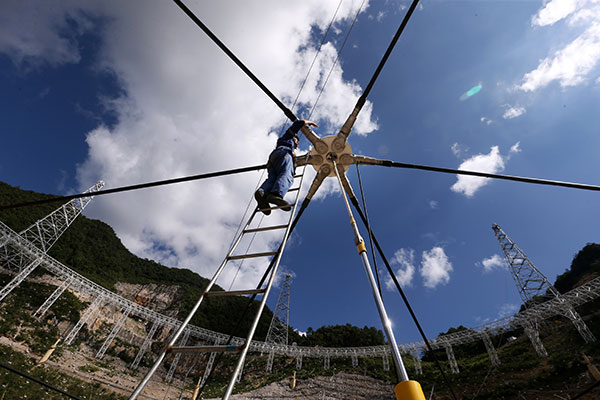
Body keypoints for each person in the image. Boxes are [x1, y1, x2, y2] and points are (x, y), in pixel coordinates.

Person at [255, 119, 318, 215]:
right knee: (287, 175)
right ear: (294, 139)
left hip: (273, 160)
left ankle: (262, 192)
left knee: (272, 179)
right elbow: (297, 124)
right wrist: (308, 122)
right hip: (284, 153)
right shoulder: (289, 137)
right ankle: (276, 194)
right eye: (297, 141)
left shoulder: (285, 143)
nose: (297, 144)